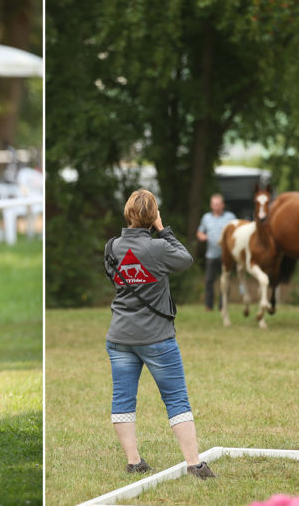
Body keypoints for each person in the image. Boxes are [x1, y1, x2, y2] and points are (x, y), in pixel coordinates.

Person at [104, 189, 215, 478]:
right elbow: (186, 259)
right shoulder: (158, 248)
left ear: (127, 213)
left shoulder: (113, 247)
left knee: (123, 399)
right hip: (157, 338)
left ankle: (134, 461)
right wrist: (163, 230)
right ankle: (194, 464)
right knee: (177, 399)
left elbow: (115, 277)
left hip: (120, 337)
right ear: (152, 216)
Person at [196, 193, 236, 311]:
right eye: (214, 204)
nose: (216, 207)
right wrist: (202, 237)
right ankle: (209, 306)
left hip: (226, 256)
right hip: (211, 255)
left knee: (226, 281)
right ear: (211, 205)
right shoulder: (206, 217)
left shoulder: (230, 217)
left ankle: (223, 306)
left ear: (223, 205)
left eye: (218, 204)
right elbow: (200, 232)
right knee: (209, 281)